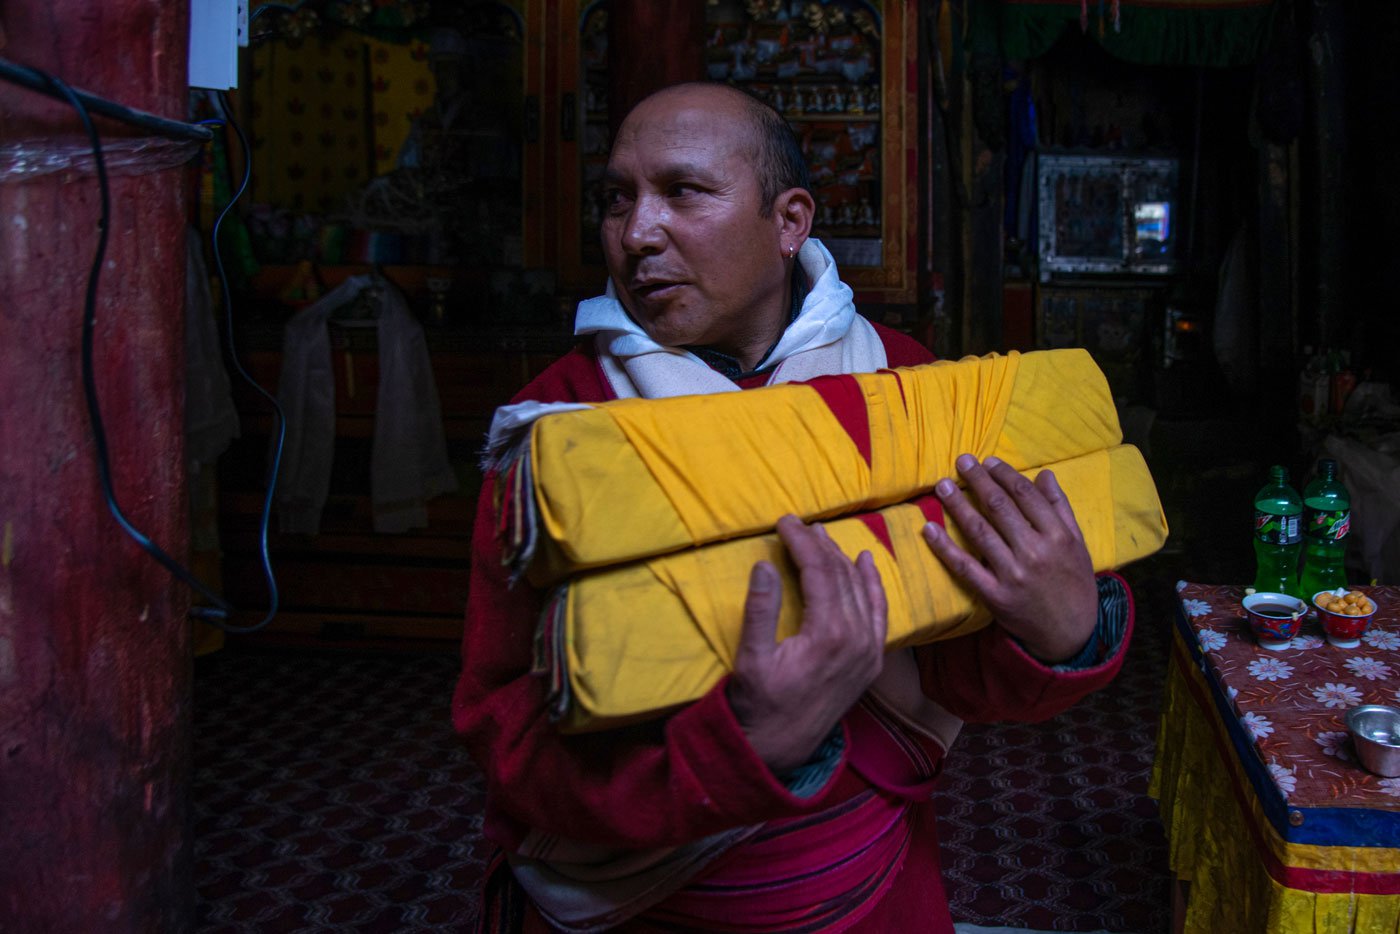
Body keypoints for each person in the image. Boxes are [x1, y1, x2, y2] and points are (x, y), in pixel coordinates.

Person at [454, 81, 1132, 933]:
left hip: (871, 891)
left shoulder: (908, 386)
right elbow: (501, 722)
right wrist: (742, 745)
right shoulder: (557, 428)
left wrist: (1061, 631)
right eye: (615, 199)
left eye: (683, 191)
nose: (635, 233)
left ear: (789, 222)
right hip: (635, 903)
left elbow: (958, 668)